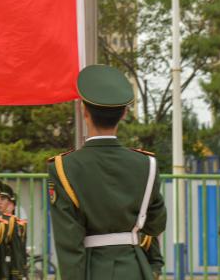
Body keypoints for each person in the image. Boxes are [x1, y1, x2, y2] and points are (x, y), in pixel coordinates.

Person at [47, 64, 167, 280]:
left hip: (92, 270)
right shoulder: (146, 164)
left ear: (84, 112)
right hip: (135, 269)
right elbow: (156, 224)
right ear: (124, 114)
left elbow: (69, 245)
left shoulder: (64, 167)